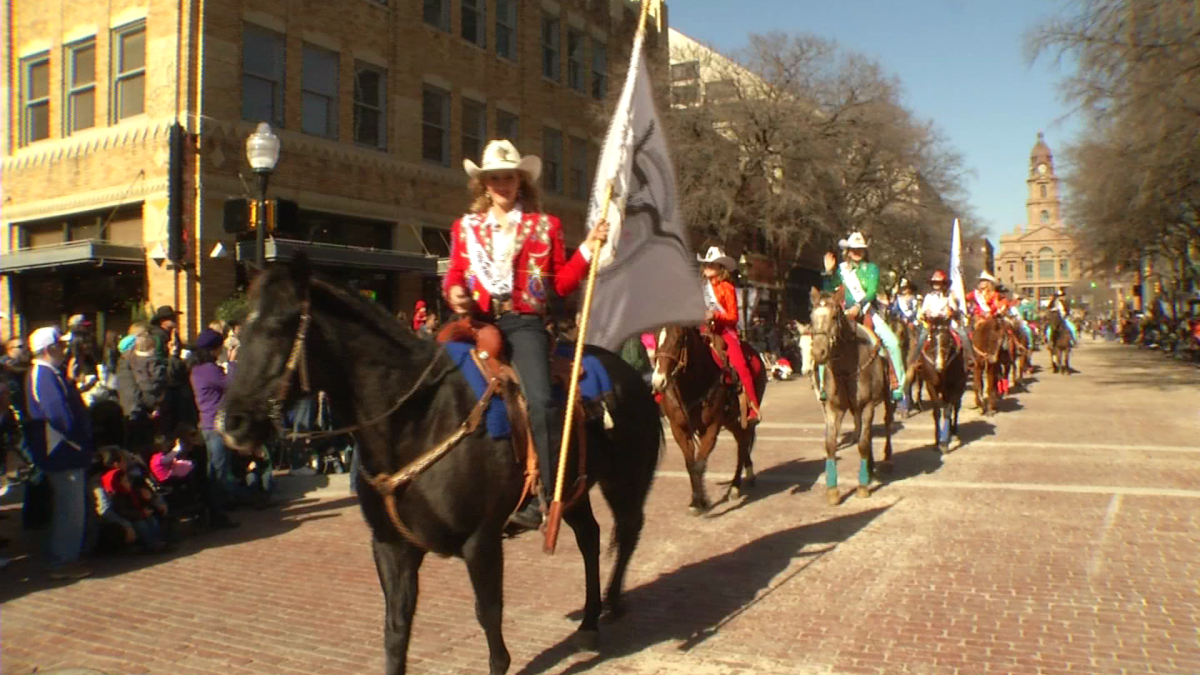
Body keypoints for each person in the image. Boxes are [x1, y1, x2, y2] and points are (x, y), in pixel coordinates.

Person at [443, 139, 608, 530]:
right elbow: (454, 273)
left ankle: (549, 493)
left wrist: (586, 249)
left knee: (541, 400)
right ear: (484, 184)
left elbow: (561, 283)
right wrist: (453, 292)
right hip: (477, 322)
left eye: (509, 177)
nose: (502, 184)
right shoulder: (465, 228)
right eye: (494, 178)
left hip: (523, 322)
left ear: (521, 182)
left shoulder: (544, 226)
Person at [24, 326, 94, 579]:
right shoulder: (43, 374)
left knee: (71, 508)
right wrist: (79, 440)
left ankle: (65, 556)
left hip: (66, 449)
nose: (64, 349)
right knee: (70, 510)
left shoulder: (51, 373)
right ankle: (62, 561)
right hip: (62, 450)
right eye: (60, 345)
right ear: (48, 348)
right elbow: (58, 415)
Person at [820, 232, 907, 401]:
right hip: (843, 313)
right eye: (853, 249)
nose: (856, 252)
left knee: (893, 343)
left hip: (866, 311)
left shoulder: (871, 269)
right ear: (848, 251)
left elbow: (872, 291)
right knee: (824, 341)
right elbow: (828, 291)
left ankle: (897, 385)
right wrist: (828, 272)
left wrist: (859, 307)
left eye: (860, 249)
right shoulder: (841, 270)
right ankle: (823, 385)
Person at [697, 246, 762, 422]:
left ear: (720, 267)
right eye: (706, 264)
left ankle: (753, 407)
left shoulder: (727, 288)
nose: (708, 267)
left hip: (725, 331)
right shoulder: (701, 288)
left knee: (741, 364)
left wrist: (715, 315)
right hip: (704, 330)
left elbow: (733, 317)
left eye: (712, 264)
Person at [189, 329, 239, 526]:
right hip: (214, 424)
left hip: (209, 423)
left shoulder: (198, 369)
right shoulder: (208, 370)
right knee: (218, 470)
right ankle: (216, 514)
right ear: (213, 350)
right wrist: (233, 362)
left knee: (217, 468)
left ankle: (216, 510)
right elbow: (231, 383)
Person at [909, 270, 972, 366]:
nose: (936, 286)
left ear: (943, 284)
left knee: (963, 335)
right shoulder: (929, 297)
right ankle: (916, 360)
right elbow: (922, 312)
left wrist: (951, 312)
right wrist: (926, 314)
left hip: (947, 325)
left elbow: (955, 311)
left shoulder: (949, 297)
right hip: (932, 325)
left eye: (939, 283)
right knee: (922, 337)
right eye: (934, 283)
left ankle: (970, 358)